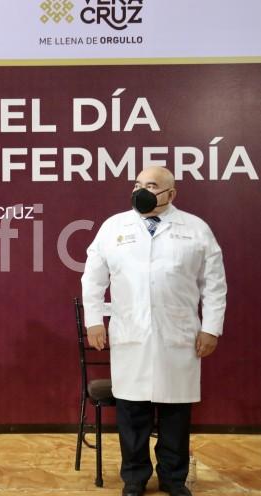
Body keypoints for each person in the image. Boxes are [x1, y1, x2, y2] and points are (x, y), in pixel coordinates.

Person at [81, 166, 227, 496]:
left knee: (175, 413)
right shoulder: (113, 227)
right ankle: (134, 478)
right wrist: (94, 321)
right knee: (132, 412)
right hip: (130, 334)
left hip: (179, 336)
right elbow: (93, 278)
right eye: (136, 184)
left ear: (170, 194)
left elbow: (214, 285)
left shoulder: (195, 229)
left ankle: (173, 479)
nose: (140, 191)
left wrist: (212, 328)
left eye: (150, 185)